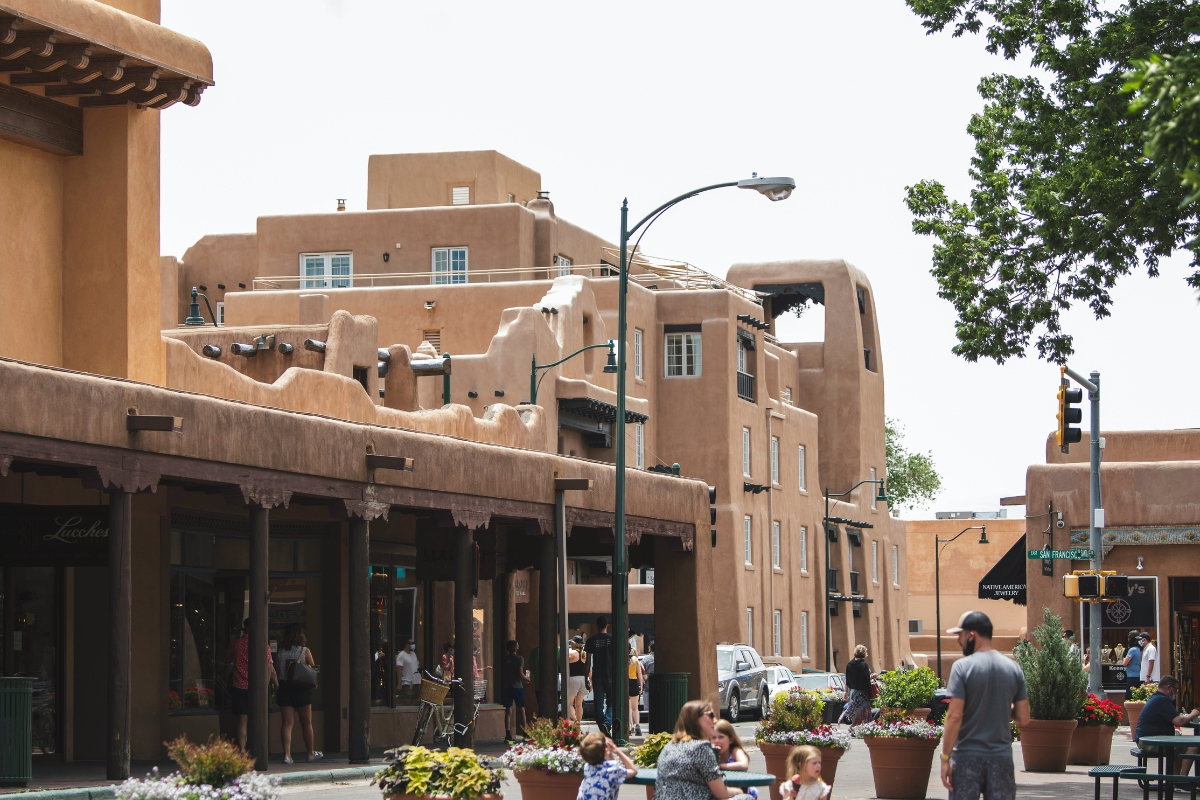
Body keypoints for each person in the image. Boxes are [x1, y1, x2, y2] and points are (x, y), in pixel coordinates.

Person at [940, 611, 1030, 800]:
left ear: (971, 635)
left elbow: (954, 716)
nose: (958, 641)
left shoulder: (961, 667)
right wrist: (1002, 707)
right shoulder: (1013, 667)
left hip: (966, 758)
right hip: (1001, 758)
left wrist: (945, 759)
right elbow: (1024, 717)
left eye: (960, 635)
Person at [654, 700, 754, 800]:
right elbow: (721, 793)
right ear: (695, 719)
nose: (715, 721)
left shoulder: (669, 746)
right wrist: (739, 791)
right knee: (747, 798)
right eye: (710, 715)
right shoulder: (701, 748)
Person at [225, 620, 279, 753]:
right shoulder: (262, 645)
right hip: (256, 688)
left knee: (242, 719)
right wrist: (274, 684)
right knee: (258, 718)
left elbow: (228, 660)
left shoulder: (236, 644)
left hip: (239, 685)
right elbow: (269, 667)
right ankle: (258, 748)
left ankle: (242, 748)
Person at [1134, 675, 1200, 775]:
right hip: (1149, 742)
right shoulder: (1162, 700)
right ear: (1168, 687)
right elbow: (1179, 721)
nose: (1176, 693)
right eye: (1176, 689)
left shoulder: (1157, 698)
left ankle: (1175, 779)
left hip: (1147, 739)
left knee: (1179, 740)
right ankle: (1182, 780)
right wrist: (1193, 714)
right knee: (1192, 746)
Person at [276, 624, 322, 764]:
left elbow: (279, 672)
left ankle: (287, 756)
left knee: (287, 723)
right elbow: (312, 670)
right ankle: (310, 754)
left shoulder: (281, 652)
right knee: (306, 723)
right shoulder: (305, 651)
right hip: (301, 689)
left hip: (285, 688)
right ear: (299, 636)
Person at [576, 731, 637, 800]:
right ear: (606, 750)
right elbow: (633, 770)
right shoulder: (613, 769)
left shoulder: (587, 767)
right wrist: (617, 751)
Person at [586, 616, 615, 737]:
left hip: (597, 676)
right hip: (611, 675)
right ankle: (607, 724)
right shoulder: (612, 639)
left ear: (596, 626)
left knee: (598, 705)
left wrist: (586, 678)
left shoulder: (591, 640)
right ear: (607, 625)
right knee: (612, 703)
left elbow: (587, 662)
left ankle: (604, 726)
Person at [501, 639, 530, 742]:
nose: (518, 646)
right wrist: (527, 679)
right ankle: (525, 732)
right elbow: (520, 673)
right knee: (521, 709)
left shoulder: (505, 659)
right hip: (517, 687)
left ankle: (507, 734)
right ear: (515, 647)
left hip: (507, 687)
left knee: (508, 711)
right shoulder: (519, 659)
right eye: (517, 645)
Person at [838, 645, 873, 725]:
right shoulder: (864, 665)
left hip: (852, 692)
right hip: (862, 693)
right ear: (864, 653)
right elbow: (866, 679)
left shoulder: (850, 664)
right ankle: (856, 728)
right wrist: (872, 677)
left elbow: (847, 679)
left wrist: (846, 692)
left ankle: (855, 727)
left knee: (855, 711)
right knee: (864, 712)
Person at [569, 636, 589, 724]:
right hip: (583, 680)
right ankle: (578, 724)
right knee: (579, 705)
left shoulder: (572, 653)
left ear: (573, 643)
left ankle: (575, 721)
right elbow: (589, 669)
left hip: (573, 679)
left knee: (569, 703)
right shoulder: (584, 654)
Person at [628, 646, 647, 737]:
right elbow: (639, 673)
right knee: (635, 708)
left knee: (627, 707)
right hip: (633, 682)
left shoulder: (622, 658)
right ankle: (637, 725)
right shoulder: (635, 659)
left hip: (625, 683)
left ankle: (629, 727)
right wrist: (641, 686)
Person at [395, 638, 420, 704]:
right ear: (407, 645)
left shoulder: (414, 654)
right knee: (406, 700)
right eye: (412, 644)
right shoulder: (401, 655)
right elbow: (399, 670)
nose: (413, 645)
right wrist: (399, 683)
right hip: (407, 682)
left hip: (416, 681)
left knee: (415, 701)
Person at [1123, 633, 1143, 699]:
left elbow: (1124, 663)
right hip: (1137, 675)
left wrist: (1125, 659)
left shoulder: (1132, 650)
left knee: (1129, 696)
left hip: (1132, 676)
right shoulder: (1139, 649)